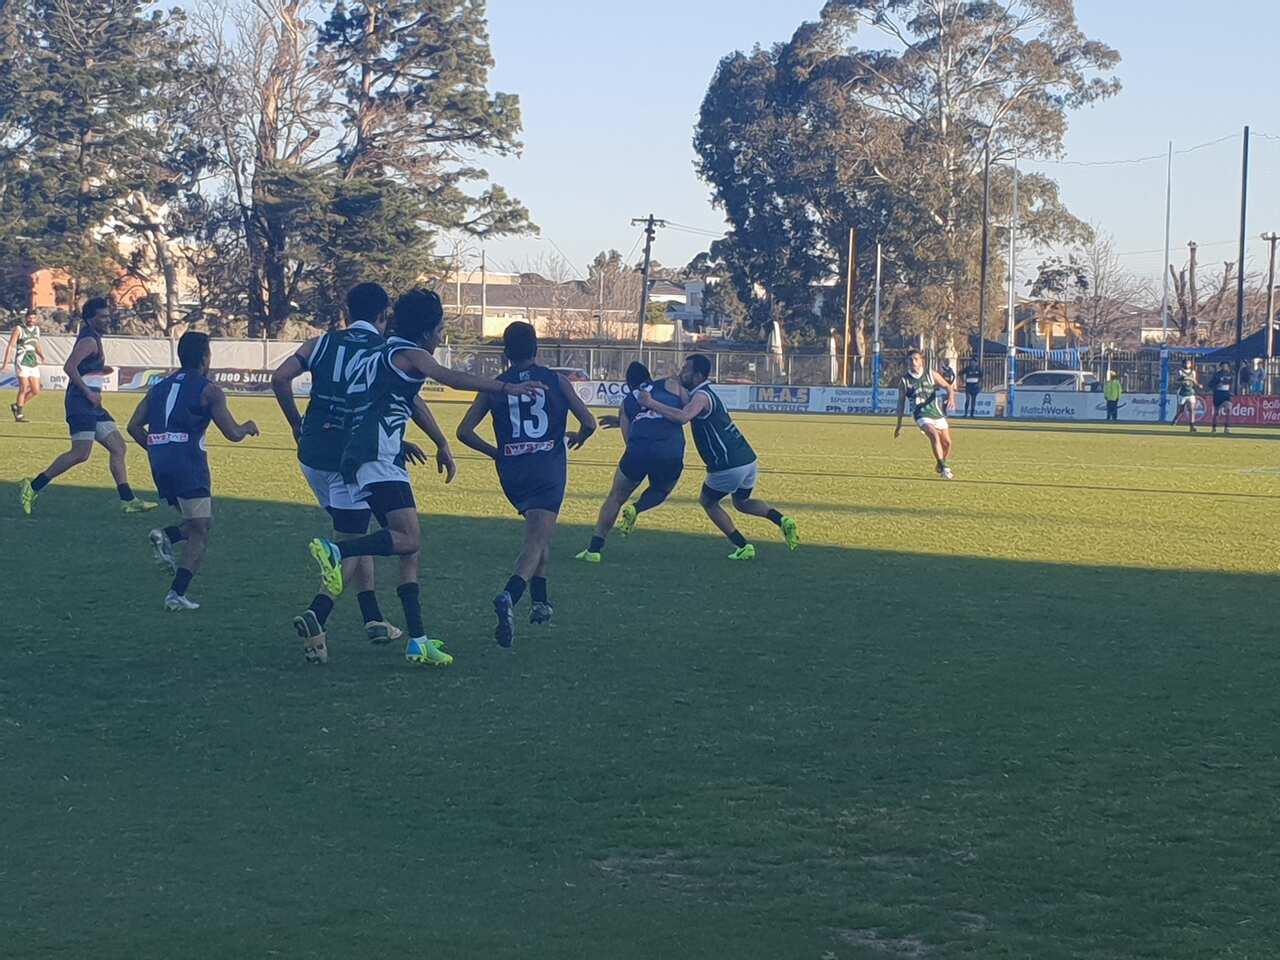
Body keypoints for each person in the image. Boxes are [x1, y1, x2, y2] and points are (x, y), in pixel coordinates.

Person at [306, 290, 542, 667]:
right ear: (426, 331)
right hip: (379, 455)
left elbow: (376, 400)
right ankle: (338, 551)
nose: (440, 335)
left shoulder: (379, 352)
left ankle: (418, 640)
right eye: (440, 328)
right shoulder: (410, 353)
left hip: (373, 452)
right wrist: (506, 387)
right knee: (408, 538)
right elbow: (448, 377)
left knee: (410, 548)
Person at [272, 282, 456, 659]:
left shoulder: (320, 343)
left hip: (313, 455)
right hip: (353, 455)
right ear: (383, 314)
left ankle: (372, 618)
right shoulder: (385, 348)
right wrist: (439, 440)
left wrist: (296, 424)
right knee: (378, 539)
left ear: (345, 309)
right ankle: (318, 613)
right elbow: (406, 400)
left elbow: (279, 377)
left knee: (359, 529)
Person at [457, 322, 596, 648]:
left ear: (505, 352)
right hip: (547, 466)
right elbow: (588, 422)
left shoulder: (495, 386)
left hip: (513, 469)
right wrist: (579, 436)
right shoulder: (556, 381)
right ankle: (511, 594)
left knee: (539, 531)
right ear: (536, 349)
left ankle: (540, 602)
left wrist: (496, 453)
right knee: (536, 539)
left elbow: (464, 432)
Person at [125, 332, 259, 610]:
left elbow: (133, 426)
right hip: (188, 462)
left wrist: (155, 448)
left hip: (160, 461)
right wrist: (247, 426)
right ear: (205, 357)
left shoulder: (158, 387)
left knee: (197, 522)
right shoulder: (209, 390)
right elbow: (232, 433)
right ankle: (176, 594)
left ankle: (166, 537)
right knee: (200, 530)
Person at [633, 353, 799, 560]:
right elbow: (683, 399)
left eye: (686, 369)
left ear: (698, 375)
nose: (682, 372)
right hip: (747, 460)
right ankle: (782, 520)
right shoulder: (700, 393)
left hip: (727, 464)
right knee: (742, 503)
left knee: (708, 502)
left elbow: (683, 417)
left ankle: (743, 546)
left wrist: (650, 403)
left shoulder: (701, 397)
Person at [18, 298, 157, 515]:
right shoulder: (89, 341)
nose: (106, 319)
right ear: (90, 319)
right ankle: (33, 486)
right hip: (80, 404)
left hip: (92, 406)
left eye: (107, 314)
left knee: (118, 447)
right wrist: (88, 391)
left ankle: (128, 500)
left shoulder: (93, 338)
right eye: (102, 316)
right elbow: (69, 367)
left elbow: (82, 368)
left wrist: (99, 371)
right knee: (80, 454)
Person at [574, 360, 686, 563]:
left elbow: (628, 438)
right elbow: (681, 411)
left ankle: (594, 550)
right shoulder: (670, 385)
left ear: (628, 383)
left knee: (615, 498)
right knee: (661, 491)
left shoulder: (626, 402)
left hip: (638, 452)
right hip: (670, 451)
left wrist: (625, 424)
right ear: (649, 375)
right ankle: (637, 508)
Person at [894, 348, 957, 479]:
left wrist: (951, 397)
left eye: (916, 359)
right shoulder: (905, 381)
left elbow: (948, 386)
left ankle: (940, 462)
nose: (913, 362)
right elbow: (900, 404)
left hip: (936, 412)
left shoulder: (930, 374)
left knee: (947, 443)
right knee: (934, 435)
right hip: (920, 414)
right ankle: (944, 468)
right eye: (910, 360)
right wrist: (899, 424)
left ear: (921, 361)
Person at [4, 310, 44, 422]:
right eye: (29, 318)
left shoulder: (36, 330)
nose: (31, 320)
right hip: (22, 360)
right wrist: (5, 364)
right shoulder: (19, 329)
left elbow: (36, 344)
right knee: (24, 387)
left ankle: (16, 406)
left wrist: (41, 355)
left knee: (36, 390)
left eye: (33, 318)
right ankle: (19, 414)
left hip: (32, 361)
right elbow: (10, 346)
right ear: (26, 318)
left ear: (36, 319)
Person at [1171, 358, 1199, 433]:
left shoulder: (1193, 372)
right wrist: (1182, 382)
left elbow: (1194, 381)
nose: (1187, 365)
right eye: (1186, 363)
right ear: (1183, 364)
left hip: (1190, 392)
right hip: (1182, 393)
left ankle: (1192, 426)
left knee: (1192, 409)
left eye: (1189, 363)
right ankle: (1176, 419)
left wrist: (1198, 385)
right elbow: (1176, 381)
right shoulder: (1180, 371)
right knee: (1181, 410)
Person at [1209, 361, 1233, 434]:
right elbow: (1210, 384)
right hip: (1218, 394)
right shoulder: (1217, 374)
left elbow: (1233, 384)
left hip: (1226, 394)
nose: (1224, 367)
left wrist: (1232, 391)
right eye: (1223, 366)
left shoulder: (1231, 375)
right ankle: (1214, 427)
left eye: (1226, 366)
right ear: (1221, 367)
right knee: (1217, 413)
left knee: (1228, 409)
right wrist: (1216, 385)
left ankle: (1227, 427)